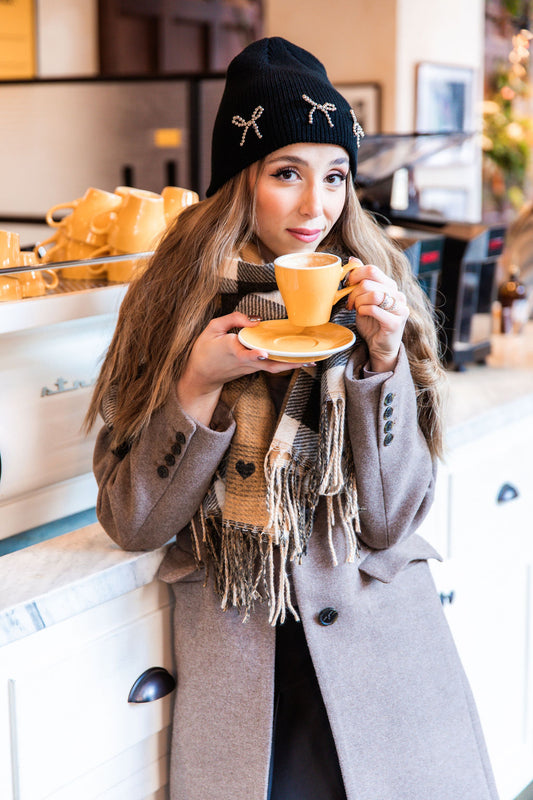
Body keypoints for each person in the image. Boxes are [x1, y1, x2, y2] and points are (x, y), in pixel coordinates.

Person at [87, 37, 498, 800]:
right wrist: (196, 387)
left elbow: (394, 518)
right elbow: (133, 520)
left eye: (335, 175)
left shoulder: (377, 291)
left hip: (384, 670)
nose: (317, 206)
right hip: (244, 669)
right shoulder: (166, 303)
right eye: (286, 174)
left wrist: (380, 368)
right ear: (238, 181)